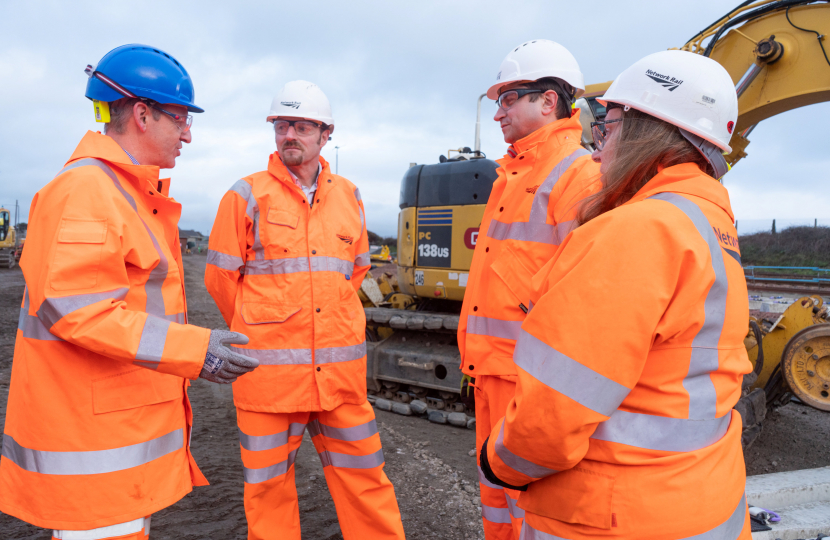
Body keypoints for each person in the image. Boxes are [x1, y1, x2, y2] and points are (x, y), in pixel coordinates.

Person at [479, 50, 752, 539]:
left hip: (617, 512)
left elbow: (553, 416)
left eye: (606, 128)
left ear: (648, 130)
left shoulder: (636, 230)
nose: (598, 151)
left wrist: (499, 463)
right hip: (703, 501)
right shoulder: (714, 229)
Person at [0, 44, 259, 540]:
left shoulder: (123, 193)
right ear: (141, 114)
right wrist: (197, 350)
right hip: (91, 456)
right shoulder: (87, 192)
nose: (188, 133)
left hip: (111, 445)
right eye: (180, 117)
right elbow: (78, 310)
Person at [205, 80, 405, 540]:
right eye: (281, 125)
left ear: (324, 133)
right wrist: (268, 331)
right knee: (268, 493)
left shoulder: (349, 196)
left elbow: (352, 275)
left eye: (301, 125)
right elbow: (221, 280)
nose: (289, 134)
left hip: (339, 384)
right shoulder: (246, 195)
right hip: (268, 384)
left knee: (367, 485)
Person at [456, 39, 601, 539]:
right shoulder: (511, 175)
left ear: (549, 101)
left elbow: (584, 301)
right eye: (498, 100)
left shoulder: (578, 175)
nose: (498, 112)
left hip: (528, 381)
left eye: (509, 97)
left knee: (532, 508)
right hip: (492, 373)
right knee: (497, 502)